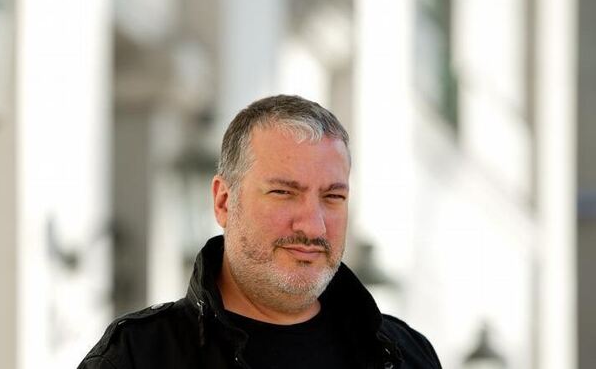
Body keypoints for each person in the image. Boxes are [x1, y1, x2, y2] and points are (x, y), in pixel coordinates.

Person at [79, 95, 442, 369]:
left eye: (333, 196)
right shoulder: (138, 358)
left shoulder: (406, 354)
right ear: (223, 202)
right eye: (284, 192)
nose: (313, 225)